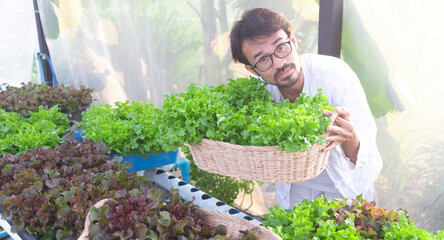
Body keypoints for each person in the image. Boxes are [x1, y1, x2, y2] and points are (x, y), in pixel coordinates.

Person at [229, 7, 383, 209]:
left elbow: (370, 163)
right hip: (296, 198)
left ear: (293, 40)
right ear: (252, 69)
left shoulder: (335, 75)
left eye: (281, 47)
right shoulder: (259, 95)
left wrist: (350, 137)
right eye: (264, 59)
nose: (280, 63)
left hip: (347, 196)